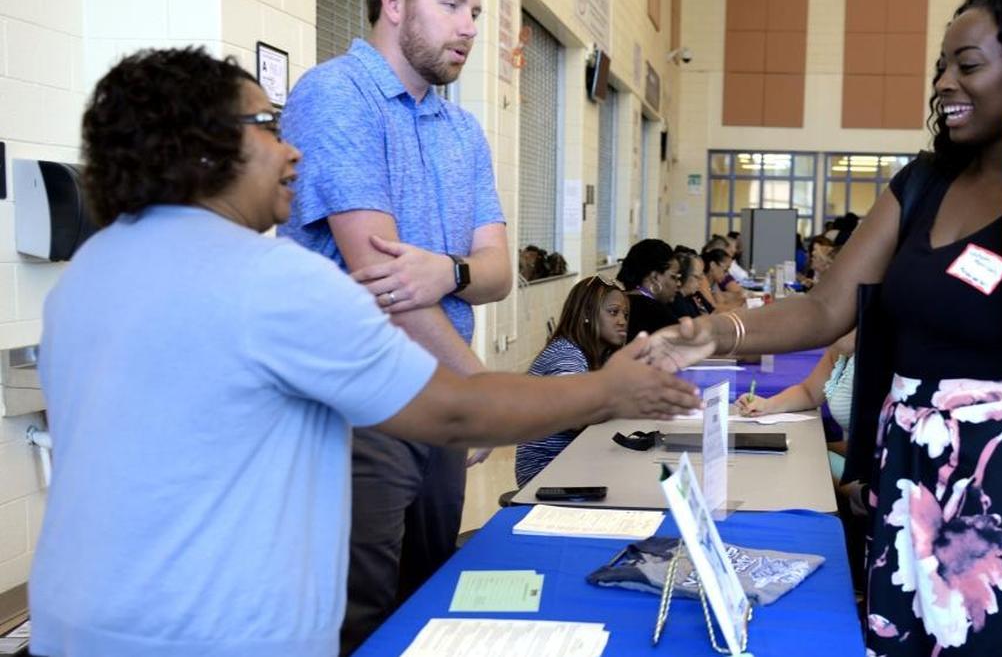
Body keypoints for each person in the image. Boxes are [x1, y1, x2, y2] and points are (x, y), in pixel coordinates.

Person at [28, 47, 701, 657]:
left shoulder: (88, 274)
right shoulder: (270, 280)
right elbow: (453, 413)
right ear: (202, 150)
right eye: (266, 125)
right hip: (213, 635)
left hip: (74, 625)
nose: (293, 151)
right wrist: (608, 390)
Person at [647, 0, 1002, 653]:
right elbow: (826, 308)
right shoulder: (923, 183)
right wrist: (713, 334)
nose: (944, 84)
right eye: (941, 66)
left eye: (967, 65)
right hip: (914, 488)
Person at [278, 0, 511, 649]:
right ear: (394, 2)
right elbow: (382, 282)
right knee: (361, 618)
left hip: (433, 401)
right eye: (451, 4)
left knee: (430, 596)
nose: (468, 27)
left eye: (475, 13)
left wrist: (452, 271)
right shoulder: (336, 95)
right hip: (361, 405)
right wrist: (479, 392)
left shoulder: (461, 128)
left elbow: (497, 274)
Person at [515, 276, 629, 486]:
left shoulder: (598, 355)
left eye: (625, 314)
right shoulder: (566, 354)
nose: (622, 320)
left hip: (574, 463)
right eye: (613, 312)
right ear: (586, 314)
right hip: (547, 473)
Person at [617, 238, 681, 339]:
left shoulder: (615, 305)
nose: (678, 283)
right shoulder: (659, 315)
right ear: (654, 277)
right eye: (674, 277)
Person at [670, 251, 711, 318]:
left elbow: (712, 313)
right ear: (683, 275)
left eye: (701, 276)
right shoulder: (676, 300)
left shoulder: (695, 295)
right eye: (697, 277)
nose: (700, 281)